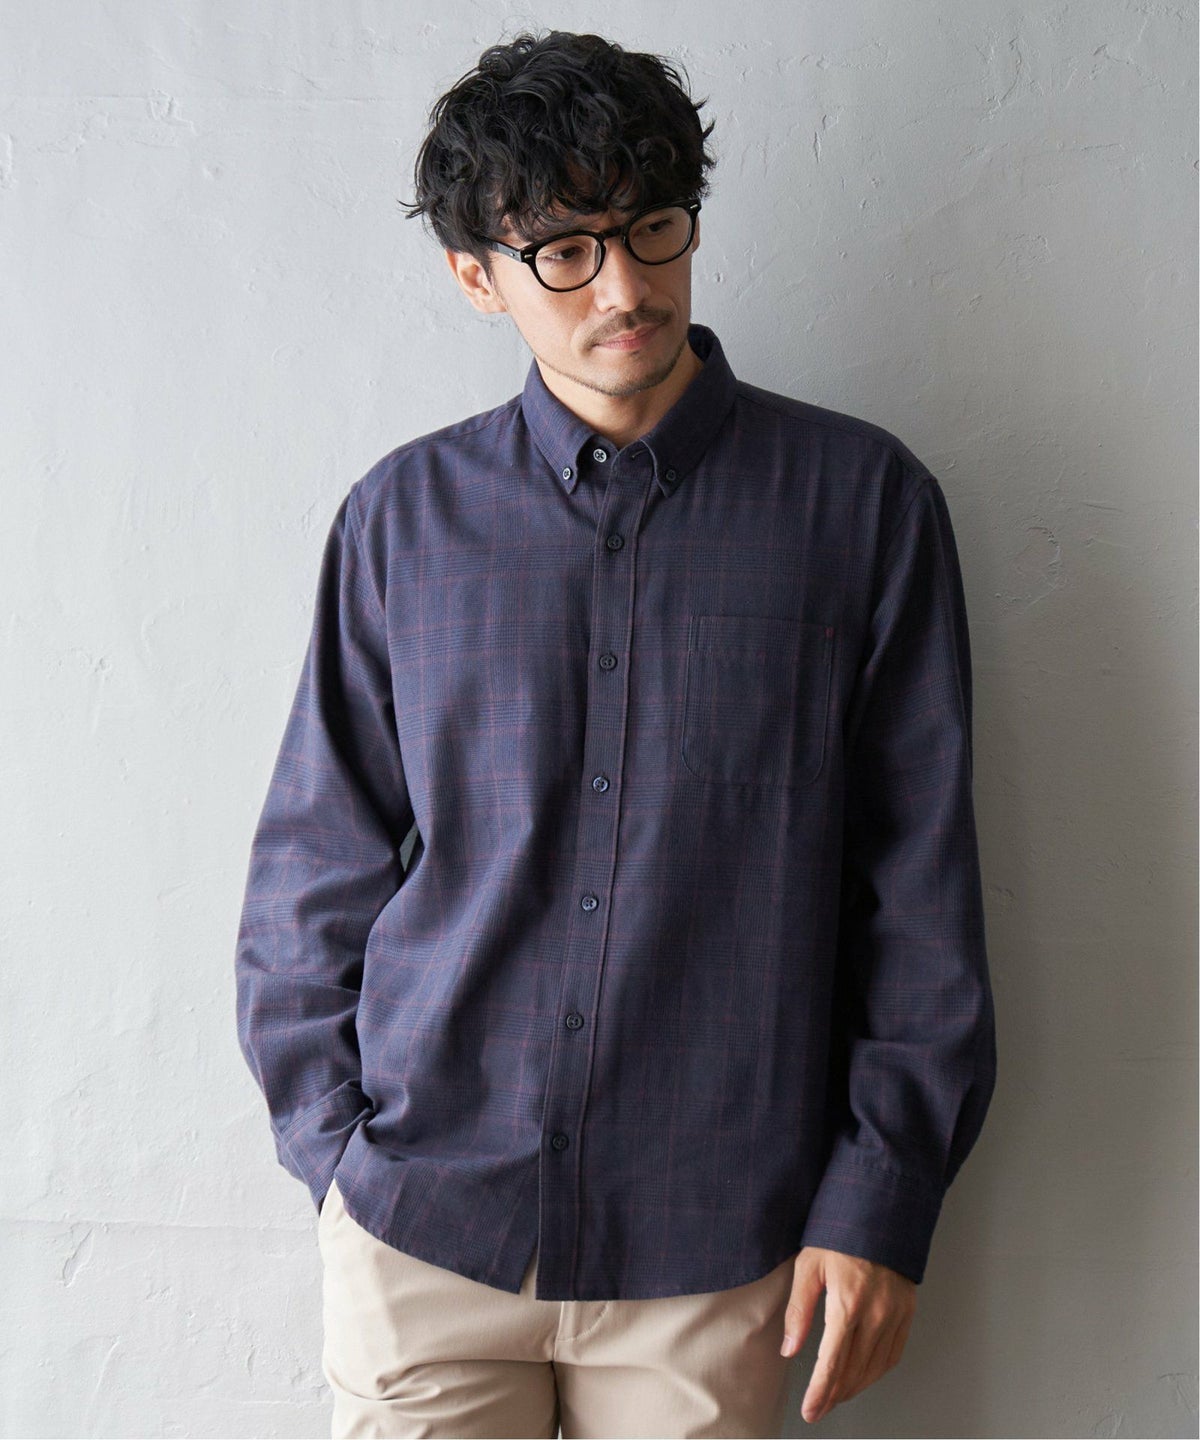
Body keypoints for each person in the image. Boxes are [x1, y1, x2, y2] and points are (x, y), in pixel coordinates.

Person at [234, 28, 997, 1440]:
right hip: (425, 1227)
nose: (628, 288)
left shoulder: (862, 507)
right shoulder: (402, 521)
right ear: (477, 276)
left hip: (715, 1238)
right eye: (565, 251)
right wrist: (337, 1154)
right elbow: (314, 863)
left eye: (652, 228)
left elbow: (919, 892)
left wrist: (882, 1196)